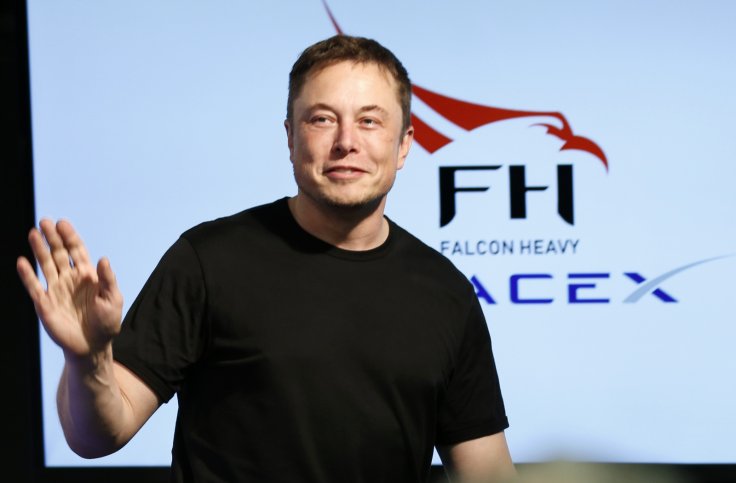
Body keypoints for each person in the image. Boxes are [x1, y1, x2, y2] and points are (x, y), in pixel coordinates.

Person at [17, 35, 515, 483]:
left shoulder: (445, 292)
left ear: (404, 145)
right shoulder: (208, 260)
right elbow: (95, 437)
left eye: (370, 120)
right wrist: (86, 360)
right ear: (290, 137)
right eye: (322, 118)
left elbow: (488, 474)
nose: (347, 141)